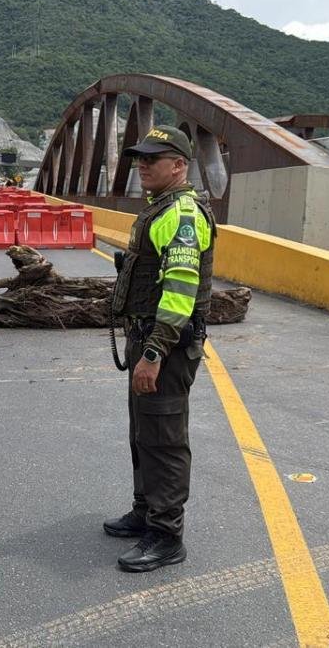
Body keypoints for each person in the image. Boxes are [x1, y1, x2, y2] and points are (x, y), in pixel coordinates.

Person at [105, 125, 215, 573]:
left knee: (165, 440)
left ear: (179, 166)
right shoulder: (159, 208)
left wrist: (153, 353)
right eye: (140, 157)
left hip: (164, 347)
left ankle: (166, 535)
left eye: (154, 158)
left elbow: (180, 291)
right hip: (146, 338)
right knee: (143, 433)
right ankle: (145, 510)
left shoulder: (182, 213)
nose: (142, 165)